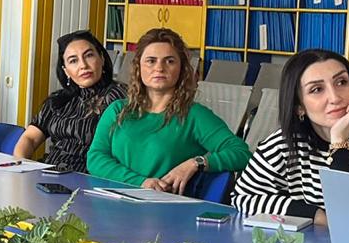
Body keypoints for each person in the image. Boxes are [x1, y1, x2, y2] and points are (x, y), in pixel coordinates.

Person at [233, 50, 349, 224]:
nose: (335, 97)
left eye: (341, 82)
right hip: (311, 241)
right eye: (317, 89)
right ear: (299, 107)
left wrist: (340, 142)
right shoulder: (284, 143)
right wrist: (316, 215)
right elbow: (243, 198)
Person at [86, 28, 250, 193]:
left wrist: (196, 163)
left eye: (169, 61)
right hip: (109, 198)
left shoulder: (194, 115)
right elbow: (95, 158)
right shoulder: (117, 109)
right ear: (138, 67)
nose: (159, 68)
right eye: (151, 61)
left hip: (161, 203)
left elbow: (242, 153)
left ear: (181, 68)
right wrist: (140, 182)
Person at [14, 30, 126, 172]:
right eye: (73, 60)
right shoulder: (58, 100)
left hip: (90, 176)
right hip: (49, 172)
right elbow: (30, 138)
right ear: (66, 71)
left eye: (89, 55)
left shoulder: (119, 97)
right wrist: (21, 165)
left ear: (102, 58)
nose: (83, 65)